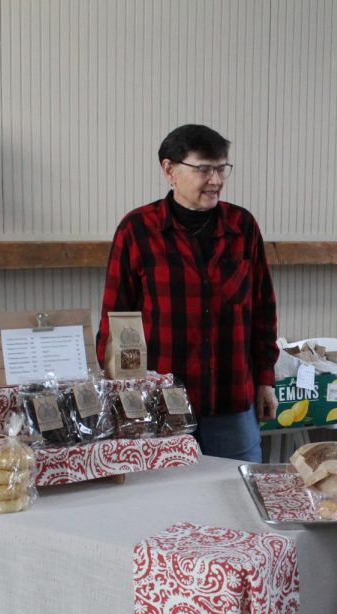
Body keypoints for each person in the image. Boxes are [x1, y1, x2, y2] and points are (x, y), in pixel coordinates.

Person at [97, 124, 277, 462]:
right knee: (164, 502)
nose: (216, 180)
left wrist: (265, 379)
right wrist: (120, 392)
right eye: (204, 169)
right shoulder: (137, 230)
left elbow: (263, 311)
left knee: (236, 497)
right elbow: (115, 319)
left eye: (222, 168)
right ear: (170, 170)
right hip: (161, 405)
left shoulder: (243, 227)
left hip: (232, 400)